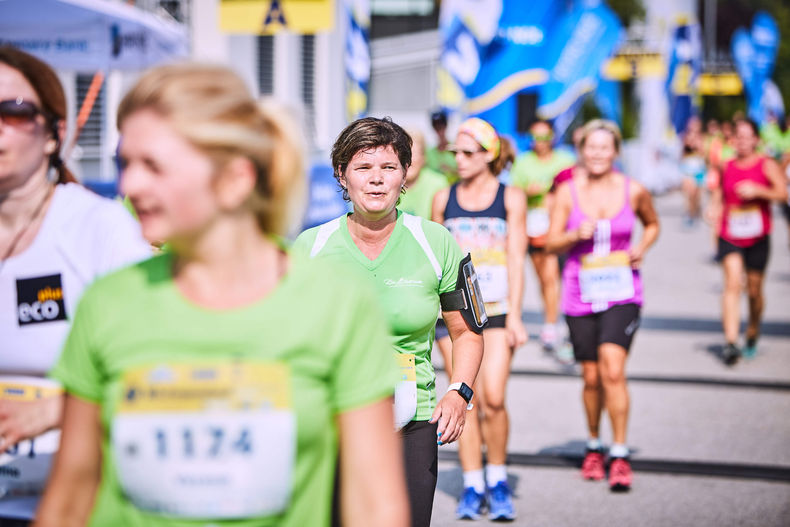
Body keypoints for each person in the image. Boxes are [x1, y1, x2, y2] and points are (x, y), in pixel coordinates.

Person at [34, 65, 409, 527]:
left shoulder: (338, 305)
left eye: (155, 165)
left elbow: (375, 507)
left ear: (234, 178)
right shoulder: (108, 302)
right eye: (124, 164)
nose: (130, 185)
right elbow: (69, 499)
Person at [294, 116, 484, 527]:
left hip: (412, 420)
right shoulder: (311, 247)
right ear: (342, 177)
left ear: (405, 176)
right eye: (363, 168)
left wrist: (459, 392)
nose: (376, 180)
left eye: (388, 167)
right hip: (332, 420)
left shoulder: (437, 243)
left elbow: (466, 331)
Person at [0, 46, 150, 526]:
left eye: (12, 111)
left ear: (54, 135)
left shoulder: (98, 228)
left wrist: (55, 409)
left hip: (76, 505)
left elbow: (153, 365)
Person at [546, 119, 659, 492]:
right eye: (590, 147)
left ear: (615, 152)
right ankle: (594, 444)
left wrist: (640, 248)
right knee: (591, 377)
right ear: (582, 151)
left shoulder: (634, 190)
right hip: (580, 293)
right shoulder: (567, 191)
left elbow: (653, 224)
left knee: (613, 370)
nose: (596, 154)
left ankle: (621, 452)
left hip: (623, 293)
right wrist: (571, 236)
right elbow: (550, 243)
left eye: (604, 147)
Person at [431, 118, 527, 521]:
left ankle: (498, 478)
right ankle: (473, 485)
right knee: (463, 400)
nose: (460, 159)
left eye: (469, 152)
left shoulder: (511, 197)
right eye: (455, 152)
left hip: (499, 309)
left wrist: (518, 316)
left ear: (490, 155)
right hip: (453, 316)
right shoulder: (442, 197)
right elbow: (432, 257)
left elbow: (516, 258)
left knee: (494, 399)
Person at [707, 118, 787, 364]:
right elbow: (720, 192)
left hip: (757, 236)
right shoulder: (726, 165)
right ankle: (731, 341)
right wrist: (713, 208)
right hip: (730, 234)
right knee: (732, 284)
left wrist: (759, 191)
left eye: (746, 136)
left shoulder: (767, 165)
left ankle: (752, 330)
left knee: (754, 291)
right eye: (737, 137)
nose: (742, 141)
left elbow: (783, 193)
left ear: (756, 139)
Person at [511, 120, 575, 351]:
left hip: (560, 223)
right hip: (533, 223)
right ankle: (553, 321)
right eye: (536, 138)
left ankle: (555, 323)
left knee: (557, 275)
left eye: (545, 137)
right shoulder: (523, 162)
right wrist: (529, 192)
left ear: (553, 138)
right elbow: (515, 190)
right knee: (544, 276)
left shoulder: (565, 160)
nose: (541, 143)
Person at [399, 129, 448, 220]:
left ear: (423, 158)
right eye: (404, 154)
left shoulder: (438, 183)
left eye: (413, 154)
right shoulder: (388, 183)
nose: (408, 161)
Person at [679, 116, 707, 226]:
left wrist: (697, 145)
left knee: (697, 194)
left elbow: (704, 154)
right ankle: (689, 214)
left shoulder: (702, 138)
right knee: (689, 193)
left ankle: (695, 212)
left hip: (699, 169)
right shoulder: (685, 137)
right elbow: (681, 155)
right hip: (687, 169)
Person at [425, 110, 458, 182]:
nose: (439, 130)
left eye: (441, 126)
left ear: (446, 126)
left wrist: (451, 171)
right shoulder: (428, 153)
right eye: (436, 127)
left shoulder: (456, 149)